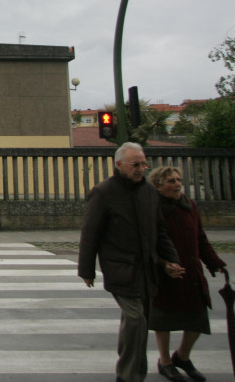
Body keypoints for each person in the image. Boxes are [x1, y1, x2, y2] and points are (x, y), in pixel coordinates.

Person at [78, 142, 184, 382]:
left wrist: (170, 260)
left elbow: (159, 230)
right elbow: (90, 232)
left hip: (146, 268)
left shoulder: (148, 191)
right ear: (119, 165)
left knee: (138, 323)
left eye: (143, 164)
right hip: (120, 268)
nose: (141, 169)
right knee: (136, 320)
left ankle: (136, 372)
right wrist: (86, 269)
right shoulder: (104, 192)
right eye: (135, 164)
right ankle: (127, 376)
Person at [148, 166, 226, 382]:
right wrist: (163, 265)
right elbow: (148, 246)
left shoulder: (189, 206)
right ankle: (165, 361)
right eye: (171, 181)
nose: (177, 184)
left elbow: (200, 238)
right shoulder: (152, 209)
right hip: (164, 272)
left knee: (197, 318)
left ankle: (182, 356)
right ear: (158, 185)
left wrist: (214, 262)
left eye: (179, 179)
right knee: (163, 319)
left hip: (191, 271)